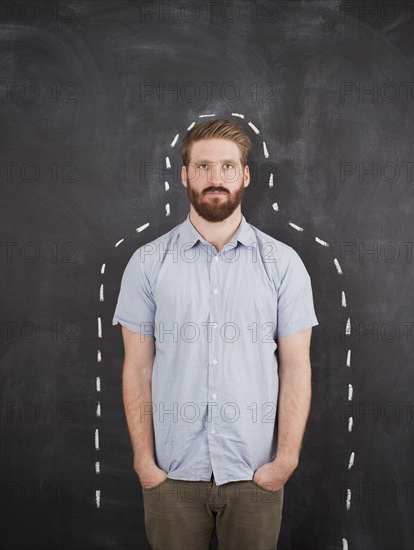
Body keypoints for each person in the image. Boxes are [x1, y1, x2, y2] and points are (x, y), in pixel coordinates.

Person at [112, 118, 319, 550]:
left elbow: (296, 366)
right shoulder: (147, 263)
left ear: (245, 176)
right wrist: (145, 465)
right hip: (172, 476)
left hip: (254, 475)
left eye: (227, 167)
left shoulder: (282, 264)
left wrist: (286, 461)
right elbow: (137, 367)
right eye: (203, 166)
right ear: (185, 174)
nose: (215, 178)